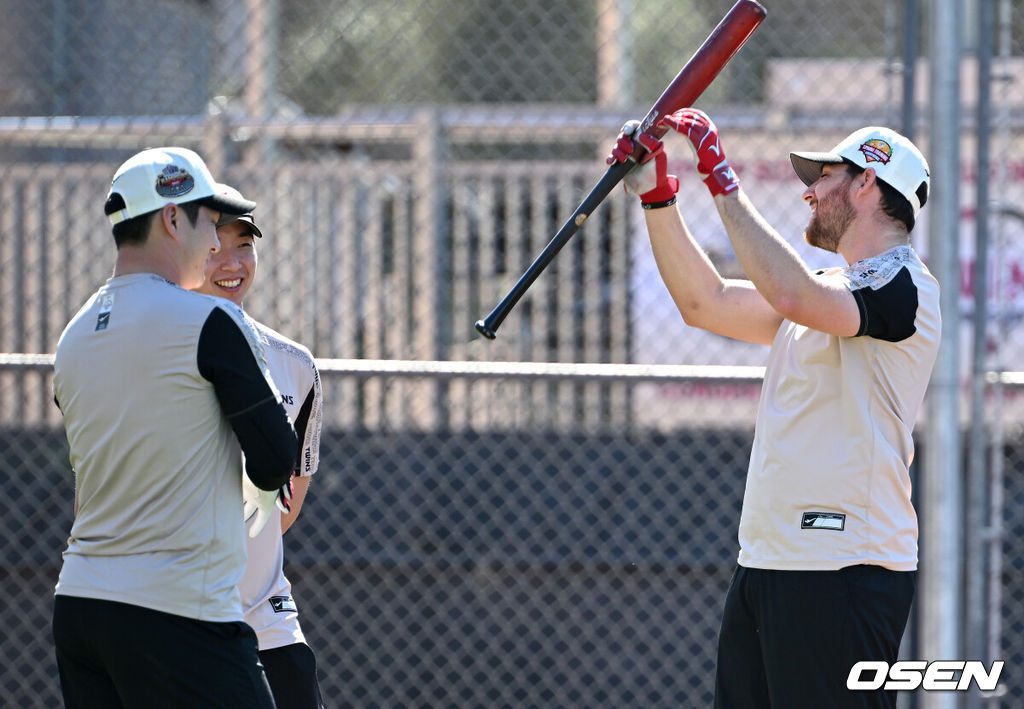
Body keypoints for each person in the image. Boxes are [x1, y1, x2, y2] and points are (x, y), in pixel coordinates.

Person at [608, 110, 940, 707]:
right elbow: (703, 303)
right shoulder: (827, 289)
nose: (809, 191)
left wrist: (721, 179)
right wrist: (657, 197)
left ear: (867, 182)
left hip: (845, 568)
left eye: (825, 175)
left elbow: (793, 294)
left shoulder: (905, 285)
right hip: (768, 560)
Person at [51, 147, 297, 708]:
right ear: (170, 218)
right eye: (209, 223)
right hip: (180, 612)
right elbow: (274, 461)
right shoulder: (210, 319)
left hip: (81, 609)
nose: (215, 244)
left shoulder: (73, 335)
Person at [194, 186, 325, 709]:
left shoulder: (295, 363)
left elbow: (286, 504)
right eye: (213, 248)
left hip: (267, 624)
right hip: (173, 624)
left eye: (243, 245)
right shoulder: (152, 351)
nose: (231, 262)